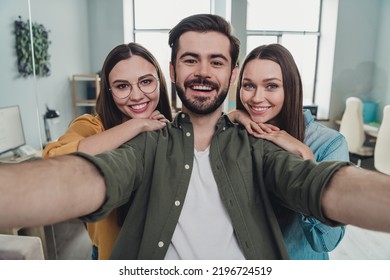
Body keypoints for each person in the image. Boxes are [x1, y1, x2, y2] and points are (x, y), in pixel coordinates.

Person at [1, 14, 390, 260]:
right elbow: (96, 177)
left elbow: (314, 182)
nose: (203, 71)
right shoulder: (149, 137)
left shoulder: (258, 140)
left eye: (216, 61)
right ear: (172, 69)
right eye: (190, 60)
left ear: (231, 74)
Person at [42, 42, 173, 259]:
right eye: (122, 86)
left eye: (146, 82)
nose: (137, 95)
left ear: (160, 82)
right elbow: (52, 161)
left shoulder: (168, 126)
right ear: (109, 91)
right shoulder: (91, 126)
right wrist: (135, 125)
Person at [228, 44, 349, 259]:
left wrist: (306, 160)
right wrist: (234, 116)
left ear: (290, 88)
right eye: (248, 85)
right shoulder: (237, 133)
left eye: (271, 86)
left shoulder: (328, 144)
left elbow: (326, 241)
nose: (257, 98)